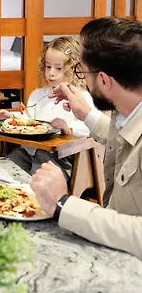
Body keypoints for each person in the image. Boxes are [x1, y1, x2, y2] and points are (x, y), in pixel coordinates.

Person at [31, 17, 142, 259]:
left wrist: (63, 202)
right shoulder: (127, 115)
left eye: (81, 69)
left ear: (103, 80)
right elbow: (120, 138)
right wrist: (85, 114)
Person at [0, 37, 94, 179]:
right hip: (29, 151)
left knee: (36, 182)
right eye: (48, 66)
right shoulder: (37, 95)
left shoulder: (81, 97)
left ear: (74, 69)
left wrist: (69, 129)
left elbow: (90, 126)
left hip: (60, 158)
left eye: (58, 68)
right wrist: (12, 119)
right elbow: (29, 120)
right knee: (1, 172)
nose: (51, 73)